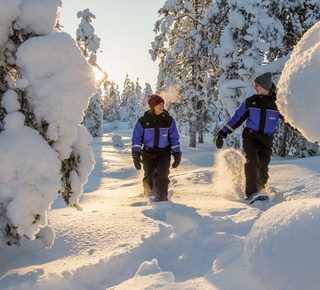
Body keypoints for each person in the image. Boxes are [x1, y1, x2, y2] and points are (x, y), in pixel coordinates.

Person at [215, 72, 280, 200]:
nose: (254, 88)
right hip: (250, 137)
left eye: (257, 86)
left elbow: (290, 119)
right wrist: (222, 133)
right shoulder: (251, 102)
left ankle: (261, 191)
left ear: (265, 86)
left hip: (266, 139)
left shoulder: (277, 104)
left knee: (263, 168)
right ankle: (252, 194)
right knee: (252, 162)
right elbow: (237, 118)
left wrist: (303, 129)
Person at [131, 94, 182, 202]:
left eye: (163, 103)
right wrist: (136, 155)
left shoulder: (168, 120)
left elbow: (174, 138)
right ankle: (149, 196)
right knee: (148, 176)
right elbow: (136, 139)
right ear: (153, 106)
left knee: (162, 174)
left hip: (164, 152)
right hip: (148, 153)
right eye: (159, 104)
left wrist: (177, 154)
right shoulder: (143, 121)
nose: (162, 106)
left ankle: (161, 198)